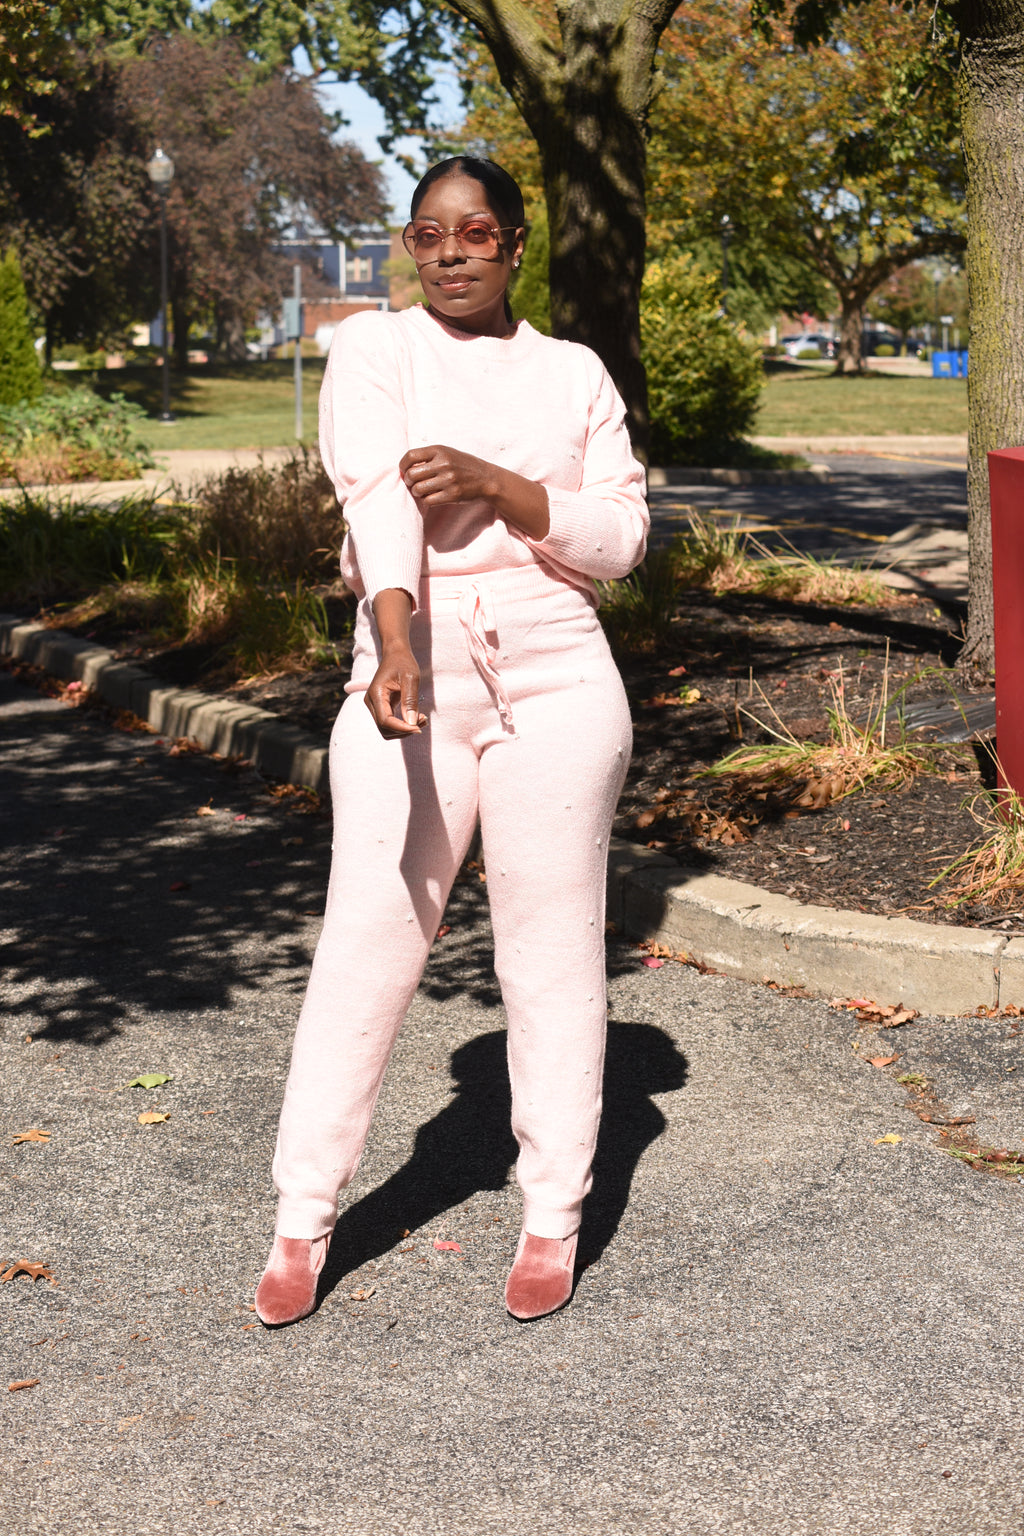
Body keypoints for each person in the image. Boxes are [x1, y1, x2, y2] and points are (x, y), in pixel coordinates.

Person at [255, 155, 649, 1327]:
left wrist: (502, 486)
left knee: (552, 951)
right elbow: (374, 499)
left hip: (559, 669)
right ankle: (301, 1218)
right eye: (429, 235)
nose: (453, 252)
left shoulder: (571, 371)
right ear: (410, 248)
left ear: (515, 241)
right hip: (410, 661)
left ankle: (551, 1213)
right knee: (369, 947)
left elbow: (620, 539)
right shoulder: (378, 351)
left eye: (475, 231)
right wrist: (395, 647)